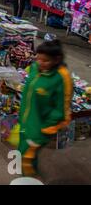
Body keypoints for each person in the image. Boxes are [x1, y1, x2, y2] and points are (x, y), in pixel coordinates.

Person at [18, 40, 72, 177]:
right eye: (38, 58)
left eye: (45, 61)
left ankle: (29, 179)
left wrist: (44, 130)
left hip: (40, 128)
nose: (40, 63)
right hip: (26, 122)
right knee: (24, 155)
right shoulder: (36, 67)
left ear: (56, 60)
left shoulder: (61, 78)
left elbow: (61, 110)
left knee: (26, 159)